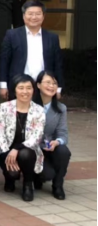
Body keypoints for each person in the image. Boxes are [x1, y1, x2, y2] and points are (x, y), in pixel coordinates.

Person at [0, 74, 45, 202]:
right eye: (21, 88)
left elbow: (37, 136)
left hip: (27, 150)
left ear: (33, 90)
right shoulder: (5, 107)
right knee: (13, 173)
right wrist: (8, 152)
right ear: (14, 90)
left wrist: (17, 148)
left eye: (29, 88)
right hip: (6, 150)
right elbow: (0, 133)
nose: (25, 91)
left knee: (25, 154)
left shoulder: (39, 110)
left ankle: (28, 184)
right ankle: (9, 178)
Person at [0, 1, 64, 100]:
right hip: (19, 85)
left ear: (43, 16)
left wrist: (58, 88)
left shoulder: (52, 38)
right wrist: (3, 85)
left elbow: (58, 64)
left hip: (44, 87)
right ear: (23, 16)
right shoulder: (12, 35)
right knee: (19, 110)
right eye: (30, 14)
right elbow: (4, 61)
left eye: (38, 14)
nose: (34, 17)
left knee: (43, 110)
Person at [33, 71, 70, 200]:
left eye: (54, 83)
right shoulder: (30, 105)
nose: (51, 86)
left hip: (50, 148)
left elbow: (63, 133)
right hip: (33, 149)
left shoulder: (61, 108)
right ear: (38, 85)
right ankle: (35, 177)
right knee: (47, 174)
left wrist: (57, 142)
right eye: (48, 82)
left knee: (64, 151)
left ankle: (58, 185)